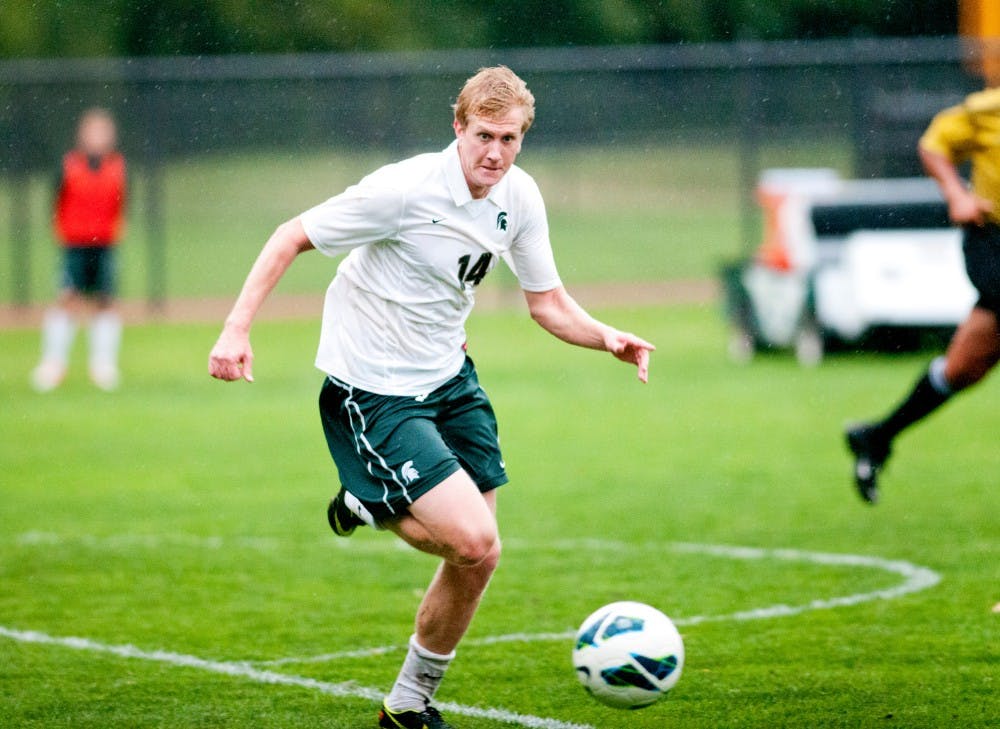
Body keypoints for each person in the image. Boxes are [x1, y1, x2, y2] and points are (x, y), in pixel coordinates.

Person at [208, 66, 654, 729]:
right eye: (483, 135)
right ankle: (372, 499)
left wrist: (604, 336)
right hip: (374, 390)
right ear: (458, 127)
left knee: (479, 552)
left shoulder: (519, 198)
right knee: (475, 538)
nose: (494, 153)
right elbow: (292, 235)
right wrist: (235, 328)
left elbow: (548, 303)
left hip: (450, 379)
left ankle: (407, 704)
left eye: (509, 139)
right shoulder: (404, 190)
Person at [845, 86, 1000, 504]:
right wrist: (957, 194)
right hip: (993, 239)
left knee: (964, 367)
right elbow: (933, 145)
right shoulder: (988, 110)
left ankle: (875, 436)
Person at [31, 108, 127, 392]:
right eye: (92, 131)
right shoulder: (68, 166)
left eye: (103, 131)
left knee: (104, 301)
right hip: (75, 245)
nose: (98, 137)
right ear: (81, 135)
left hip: (105, 245)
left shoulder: (119, 167)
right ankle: (53, 364)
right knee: (67, 298)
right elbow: (56, 201)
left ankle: (103, 366)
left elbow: (122, 204)